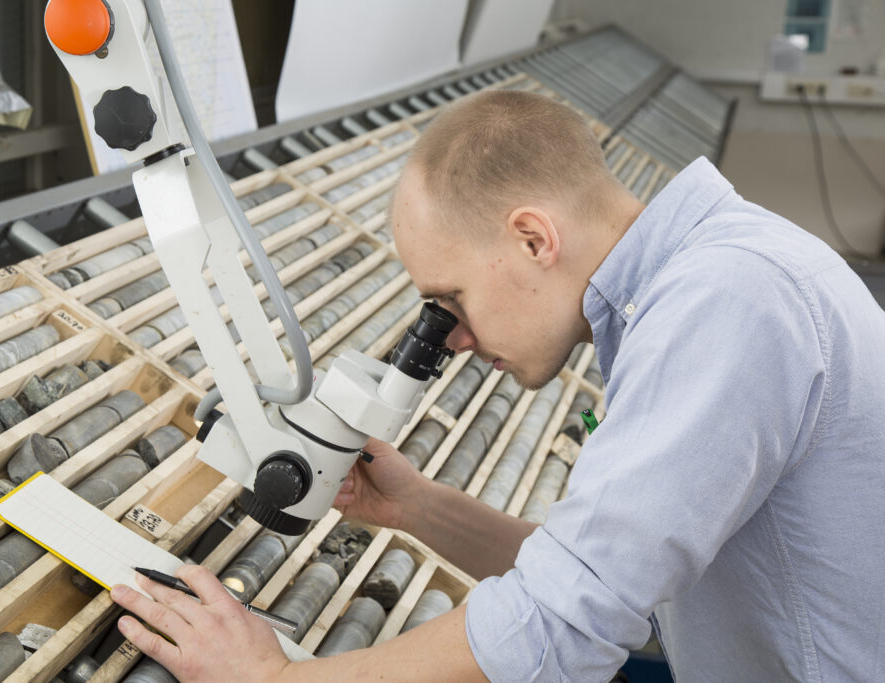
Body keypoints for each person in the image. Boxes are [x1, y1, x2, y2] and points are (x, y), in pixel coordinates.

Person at [109, 90, 885, 681]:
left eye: (452, 302)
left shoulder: (726, 304)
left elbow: (563, 627)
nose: (456, 339)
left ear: (532, 238)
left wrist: (274, 677)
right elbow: (620, 579)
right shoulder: (713, 275)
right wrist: (415, 506)